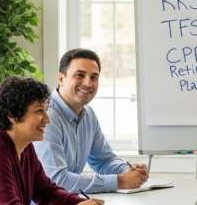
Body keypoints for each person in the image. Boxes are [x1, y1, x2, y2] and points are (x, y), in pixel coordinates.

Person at [0, 76, 108, 205]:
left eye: (46, 111)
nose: (47, 120)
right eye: (39, 111)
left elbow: (46, 191)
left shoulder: (25, 147)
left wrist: (84, 203)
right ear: (12, 115)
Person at [35, 48, 149, 194]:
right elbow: (57, 180)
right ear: (61, 78)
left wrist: (129, 170)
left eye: (94, 77)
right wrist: (120, 181)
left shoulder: (88, 114)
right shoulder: (45, 116)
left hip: (66, 204)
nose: (88, 83)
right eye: (79, 75)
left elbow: (104, 160)